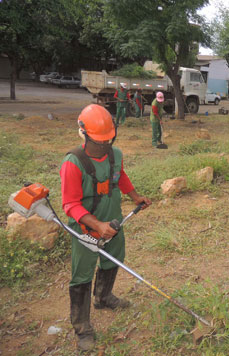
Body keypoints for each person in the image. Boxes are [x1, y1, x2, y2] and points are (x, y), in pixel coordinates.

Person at [60, 104, 151, 351]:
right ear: (83, 134)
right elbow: (70, 205)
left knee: (114, 259)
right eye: (99, 142)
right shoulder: (73, 163)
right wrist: (97, 225)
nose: (104, 146)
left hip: (114, 222)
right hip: (86, 230)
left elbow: (119, 176)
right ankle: (82, 328)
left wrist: (134, 196)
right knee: (82, 275)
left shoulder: (115, 154)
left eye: (108, 141)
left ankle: (103, 297)